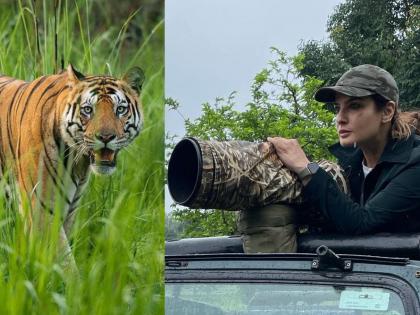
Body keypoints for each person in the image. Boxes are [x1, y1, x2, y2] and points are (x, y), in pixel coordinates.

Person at [267, 64, 420, 235]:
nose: (340, 118)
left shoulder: (415, 162)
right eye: (338, 108)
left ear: (387, 112)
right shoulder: (349, 165)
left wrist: (306, 167)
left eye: (354, 106)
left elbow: (362, 222)